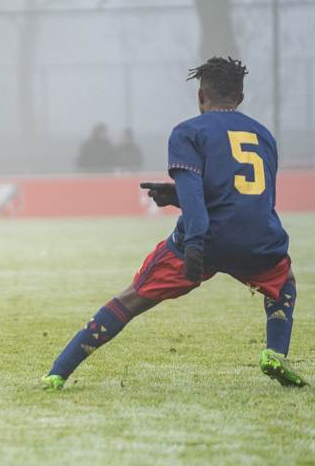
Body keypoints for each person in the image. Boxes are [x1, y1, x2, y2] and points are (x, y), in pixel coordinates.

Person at [40, 57, 305, 392]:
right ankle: (275, 353)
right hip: (259, 240)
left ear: (200, 97)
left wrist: (194, 242)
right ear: (240, 98)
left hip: (204, 239)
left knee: (132, 298)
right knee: (284, 284)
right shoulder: (264, 135)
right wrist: (176, 195)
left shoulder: (188, 132)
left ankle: (57, 372)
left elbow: (195, 194)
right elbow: (248, 197)